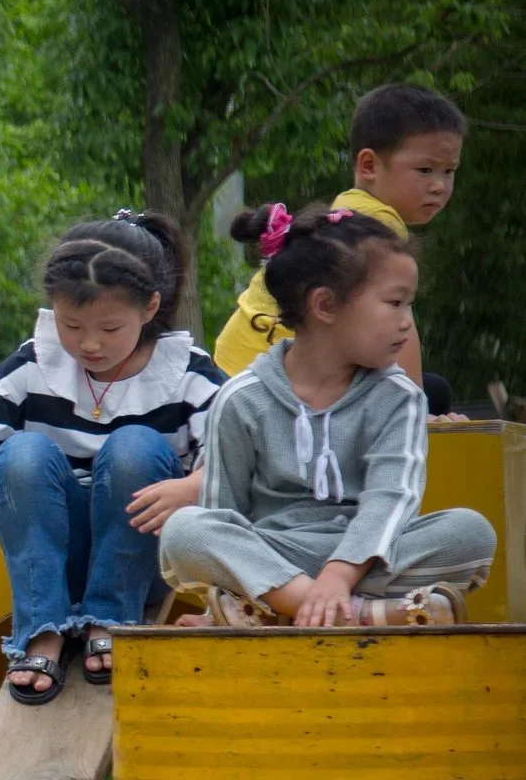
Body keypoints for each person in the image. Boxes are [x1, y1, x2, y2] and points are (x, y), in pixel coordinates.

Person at [0, 213, 224, 701]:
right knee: (22, 451)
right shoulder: (38, 361)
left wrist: (189, 487)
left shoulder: (186, 373)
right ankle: (43, 628)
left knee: (134, 445)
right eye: (72, 326)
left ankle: (111, 618)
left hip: (138, 562)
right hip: (54, 560)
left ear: (149, 307)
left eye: (109, 328)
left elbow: (236, 459)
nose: (89, 344)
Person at [163, 206, 495, 626]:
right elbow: (222, 510)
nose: (407, 324)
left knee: (470, 531)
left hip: (370, 554)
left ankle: (274, 612)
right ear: (325, 304)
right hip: (276, 553)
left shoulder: (400, 397)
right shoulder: (241, 398)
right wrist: (231, 588)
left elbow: (392, 499)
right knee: (187, 530)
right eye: (395, 303)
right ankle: (360, 613)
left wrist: (339, 574)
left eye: (409, 305)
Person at [213, 83, 464, 381]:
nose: (439, 185)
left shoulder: (349, 214)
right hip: (265, 372)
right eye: (425, 170)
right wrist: (414, 411)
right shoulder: (376, 230)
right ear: (369, 165)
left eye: (449, 171)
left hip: (233, 357)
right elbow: (398, 327)